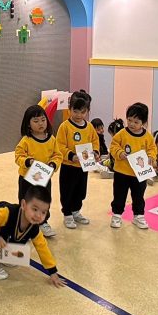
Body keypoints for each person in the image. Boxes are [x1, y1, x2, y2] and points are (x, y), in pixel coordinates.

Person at [0, 185, 66, 287]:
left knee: (20, 238)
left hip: (4, 232)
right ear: (23, 204)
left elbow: (42, 247)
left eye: (43, 212)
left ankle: (3, 256)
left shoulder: (34, 228)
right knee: (0, 236)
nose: (38, 216)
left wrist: (52, 272)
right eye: (35, 209)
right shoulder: (8, 212)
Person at [14, 105, 63, 237]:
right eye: (36, 121)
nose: (40, 123)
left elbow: (57, 155)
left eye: (43, 120)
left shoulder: (51, 139)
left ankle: (43, 222)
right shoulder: (26, 141)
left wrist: (53, 164)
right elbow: (18, 156)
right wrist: (28, 161)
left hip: (44, 179)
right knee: (26, 201)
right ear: (28, 124)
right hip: (27, 179)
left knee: (43, 200)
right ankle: (24, 225)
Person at [109, 103, 157, 230]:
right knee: (119, 195)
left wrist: (151, 156)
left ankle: (138, 216)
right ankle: (117, 215)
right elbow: (113, 145)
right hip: (122, 172)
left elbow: (152, 148)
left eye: (136, 122)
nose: (131, 124)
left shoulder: (147, 137)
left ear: (143, 123)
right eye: (129, 120)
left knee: (139, 196)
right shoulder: (122, 134)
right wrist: (119, 153)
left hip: (139, 174)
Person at [55, 90, 98, 229]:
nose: (79, 115)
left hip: (83, 167)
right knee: (67, 191)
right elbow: (59, 145)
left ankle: (76, 211)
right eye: (75, 111)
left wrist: (96, 152)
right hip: (69, 166)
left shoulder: (89, 127)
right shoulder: (65, 127)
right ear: (69, 109)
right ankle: (67, 214)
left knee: (81, 191)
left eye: (83, 112)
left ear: (87, 111)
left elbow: (95, 141)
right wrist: (71, 155)